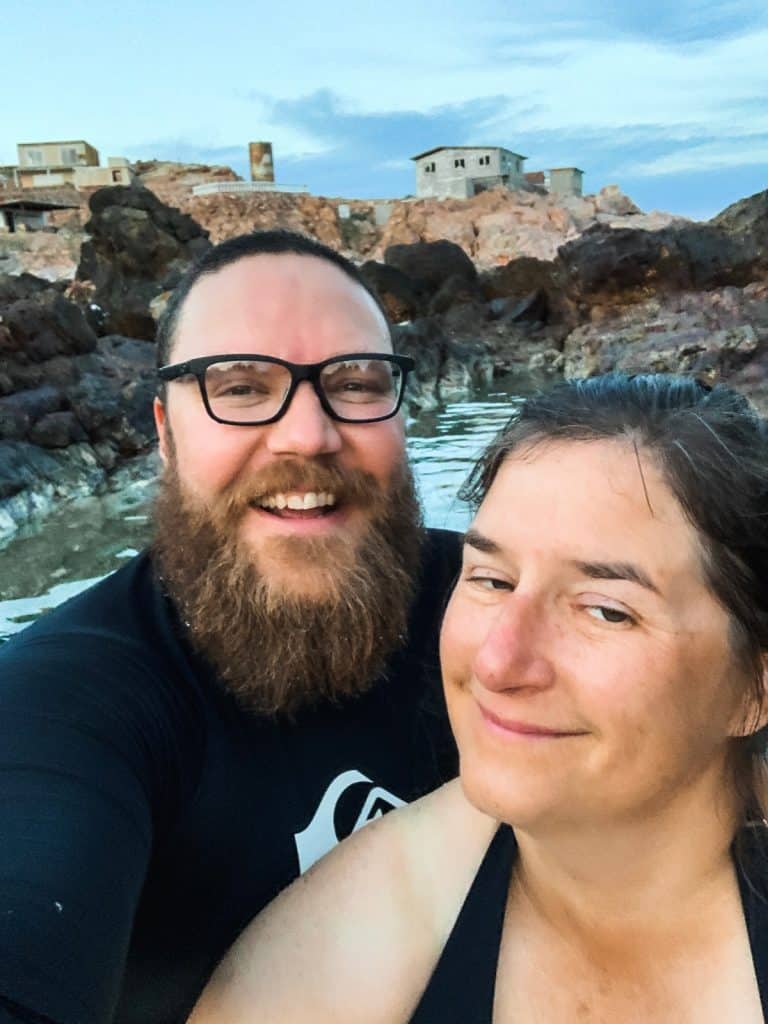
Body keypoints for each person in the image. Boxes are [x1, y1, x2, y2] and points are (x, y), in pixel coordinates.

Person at [191, 372, 768, 1023]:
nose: (498, 662)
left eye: (606, 611)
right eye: (491, 579)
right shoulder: (354, 941)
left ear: (753, 687)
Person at [0, 231, 460, 1024]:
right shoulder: (74, 698)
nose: (308, 435)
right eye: (241, 388)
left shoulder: (498, 604)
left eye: (355, 382)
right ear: (165, 432)